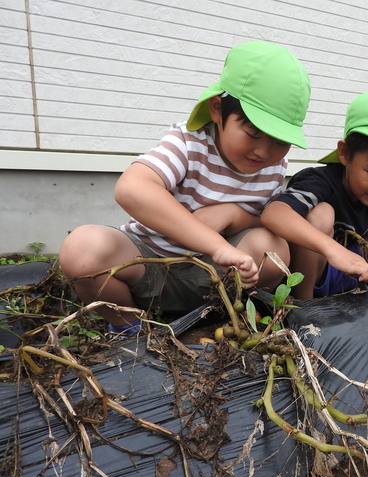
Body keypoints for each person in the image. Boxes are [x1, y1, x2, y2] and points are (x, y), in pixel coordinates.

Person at [58, 40, 311, 336]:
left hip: (212, 282)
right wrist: (216, 245)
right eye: (253, 133)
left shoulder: (273, 168)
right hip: (149, 263)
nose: (264, 152)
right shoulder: (189, 143)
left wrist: (234, 215)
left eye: (280, 141)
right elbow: (132, 188)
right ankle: (130, 328)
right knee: (82, 249)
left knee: (272, 249)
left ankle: (227, 320)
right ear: (218, 109)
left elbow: (265, 221)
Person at [260, 90, 368, 299]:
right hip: (318, 272)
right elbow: (274, 213)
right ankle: (305, 303)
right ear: (345, 153)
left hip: (357, 273)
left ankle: (354, 294)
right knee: (321, 213)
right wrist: (333, 250)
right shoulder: (320, 181)